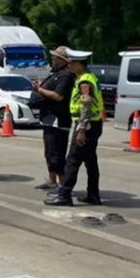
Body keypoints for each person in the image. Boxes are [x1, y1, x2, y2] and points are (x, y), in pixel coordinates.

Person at [45, 49, 105, 206]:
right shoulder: (87, 77)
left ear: (79, 64)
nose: (69, 65)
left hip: (87, 125)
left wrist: (82, 129)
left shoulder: (85, 81)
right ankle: (93, 194)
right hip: (94, 124)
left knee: (72, 160)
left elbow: (86, 106)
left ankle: (64, 195)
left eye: (71, 63)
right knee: (90, 161)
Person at [31, 46, 74, 192]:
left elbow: (58, 96)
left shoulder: (66, 75)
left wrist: (39, 90)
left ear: (63, 60)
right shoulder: (55, 73)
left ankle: (62, 186)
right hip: (48, 119)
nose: (52, 59)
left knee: (57, 155)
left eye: (55, 58)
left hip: (59, 121)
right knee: (49, 153)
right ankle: (52, 182)